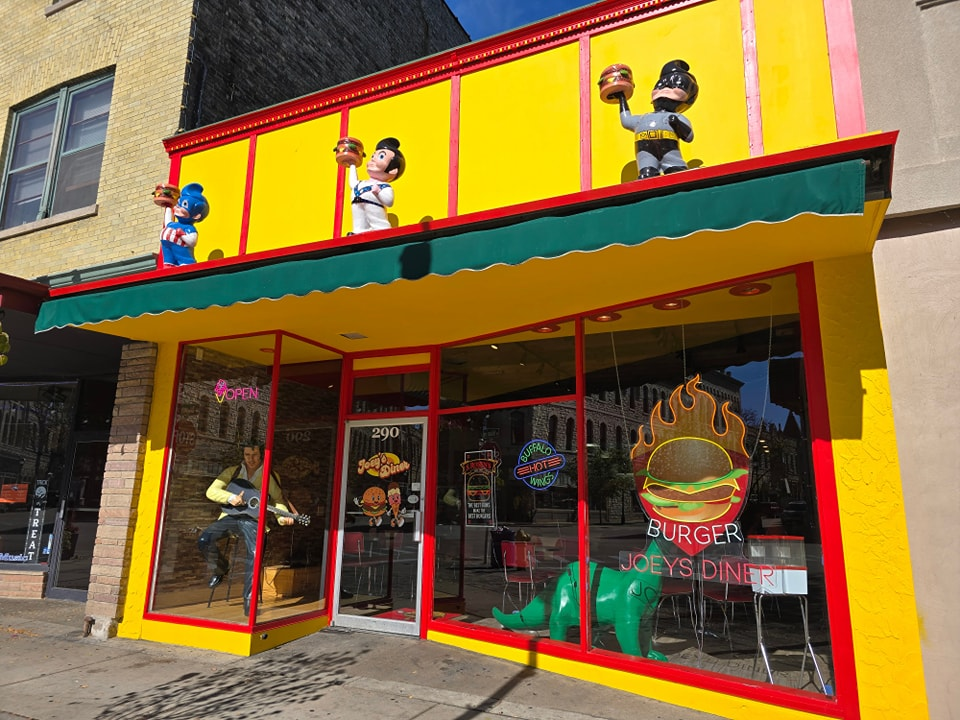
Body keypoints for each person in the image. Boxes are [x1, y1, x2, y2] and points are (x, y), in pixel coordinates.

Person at [197, 442, 293, 616]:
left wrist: (282, 518)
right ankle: (221, 567)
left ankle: (249, 600)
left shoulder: (269, 475)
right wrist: (230, 497)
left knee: (255, 554)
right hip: (231, 517)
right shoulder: (233, 472)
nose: (251, 459)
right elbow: (211, 491)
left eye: (254, 455)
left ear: (261, 455)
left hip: (253, 520)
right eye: (247, 455)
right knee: (204, 539)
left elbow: (277, 501)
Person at [613, 60, 698, 179]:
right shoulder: (642, 118)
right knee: (647, 173)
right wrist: (622, 98)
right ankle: (648, 173)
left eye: (675, 86)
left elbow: (689, 136)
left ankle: (677, 171)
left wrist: (677, 123)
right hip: (646, 154)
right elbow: (626, 120)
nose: (665, 89)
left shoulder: (677, 117)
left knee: (676, 172)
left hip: (670, 153)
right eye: (660, 86)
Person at [348, 137, 405, 234]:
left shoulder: (384, 186)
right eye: (373, 156)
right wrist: (352, 165)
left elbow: (389, 202)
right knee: (359, 221)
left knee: (377, 223)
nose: (373, 159)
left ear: (392, 170)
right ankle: (358, 232)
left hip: (377, 223)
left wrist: (378, 192)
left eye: (381, 156)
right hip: (358, 212)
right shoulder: (361, 184)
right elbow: (353, 183)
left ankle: (380, 231)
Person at [159, 182, 209, 267]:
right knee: (168, 259)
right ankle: (168, 265)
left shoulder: (189, 228)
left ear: (196, 216)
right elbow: (167, 220)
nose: (178, 207)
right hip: (166, 246)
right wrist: (168, 206)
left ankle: (185, 265)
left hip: (180, 249)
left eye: (184, 204)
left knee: (183, 258)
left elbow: (192, 242)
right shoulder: (172, 224)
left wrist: (182, 234)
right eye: (178, 203)